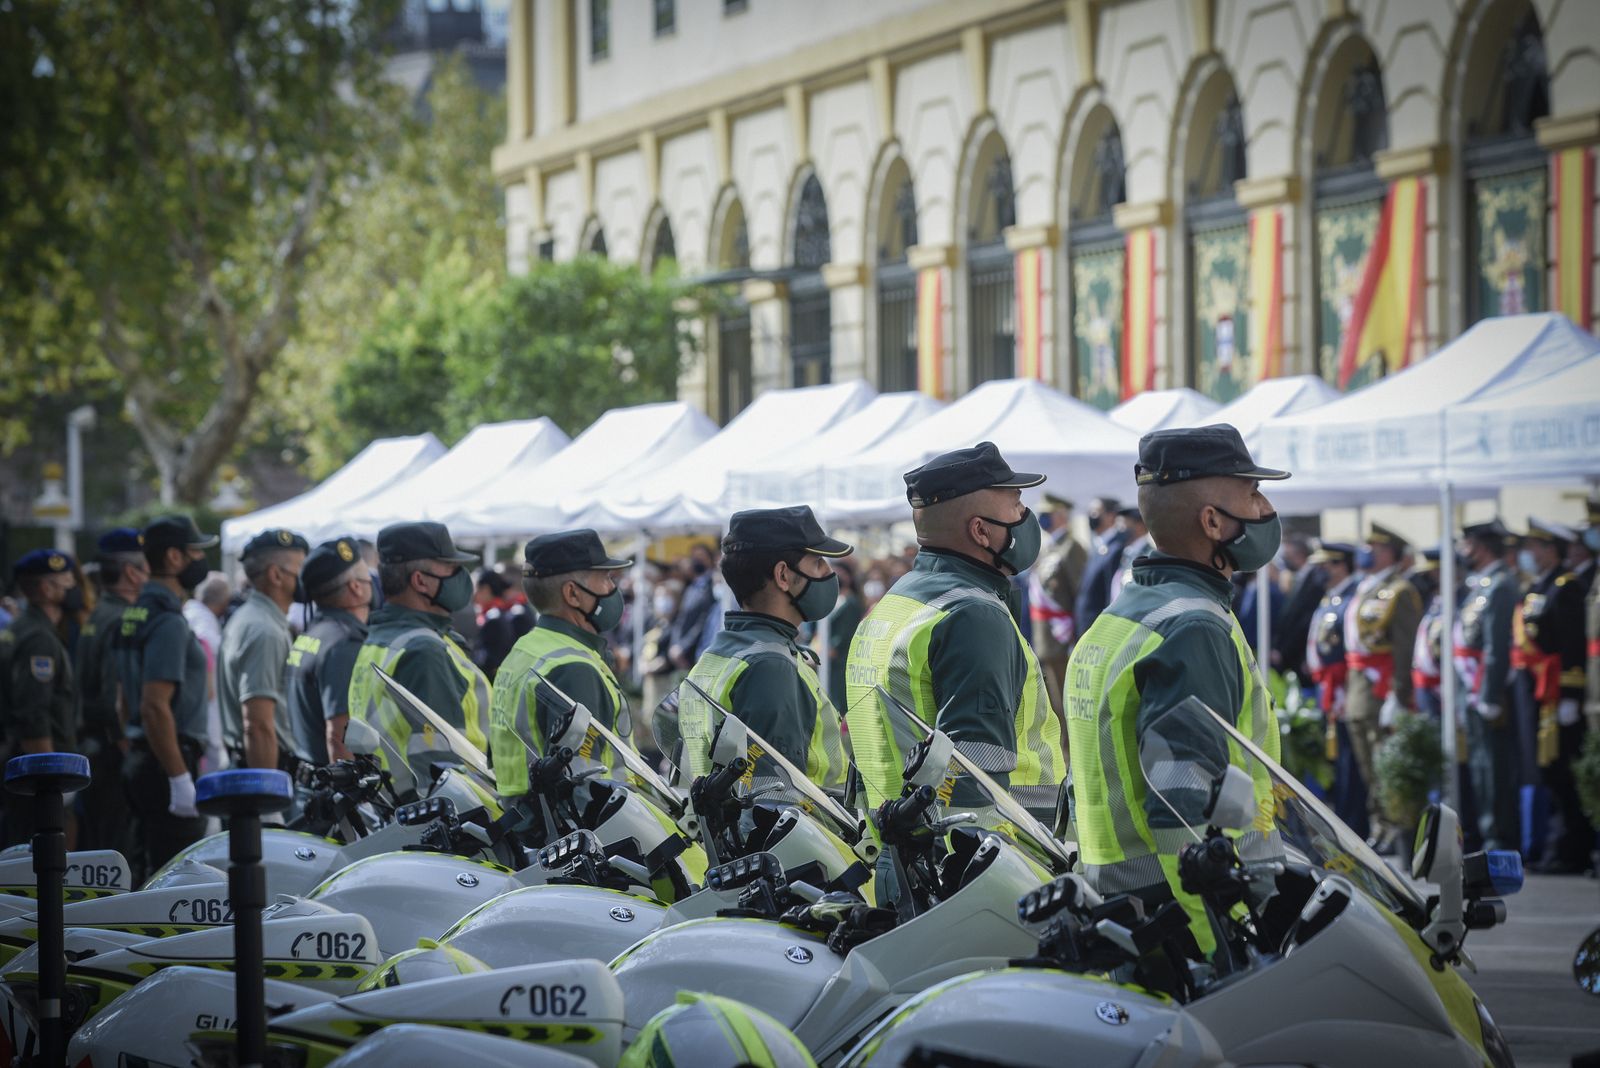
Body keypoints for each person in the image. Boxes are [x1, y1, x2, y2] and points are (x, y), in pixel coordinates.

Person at [1065, 425, 1287, 951]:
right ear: (1212, 522)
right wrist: (1220, 941)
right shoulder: (1193, 626)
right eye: (1252, 493)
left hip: (1122, 901)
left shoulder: (1124, 613)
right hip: (1184, 917)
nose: (1265, 507)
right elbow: (1182, 804)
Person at [846, 442, 1062, 818]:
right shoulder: (972, 615)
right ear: (980, 530)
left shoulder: (897, 602)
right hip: (993, 858)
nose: (1026, 515)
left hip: (900, 850)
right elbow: (973, 785)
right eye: (1016, 504)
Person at [680, 507, 851, 788]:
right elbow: (775, 800)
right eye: (819, 563)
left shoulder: (722, 650)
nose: (830, 573)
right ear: (783, 575)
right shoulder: (771, 666)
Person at [490, 529, 636, 794]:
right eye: (605, 579)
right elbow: (584, 789)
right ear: (573, 594)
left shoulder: (526, 649)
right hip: (593, 830)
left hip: (528, 822)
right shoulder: (573, 668)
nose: (613, 589)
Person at [348, 522, 492, 789]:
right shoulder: (423, 650)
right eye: (451, 569)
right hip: (458, 815)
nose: (462, 576)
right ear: (420, 581)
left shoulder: (382, 637)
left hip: (398, 810)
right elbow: (443, 769)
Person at [113, 515, 216, 877]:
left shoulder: (135, 612)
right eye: (194, 552)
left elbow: (123, 698)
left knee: (145, 868)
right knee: (173, 878)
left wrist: (137, 744)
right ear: (174, 558)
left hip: (145, 757)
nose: (200, 561)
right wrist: (178, 777)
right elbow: (154, 706)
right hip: (166, 762)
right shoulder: (167, 621)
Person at [1510, 519, 1591, 873]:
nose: (1529, 554)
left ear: (1550, 550)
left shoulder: (1566, 587)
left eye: (1535, 547)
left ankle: (1572, 849)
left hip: (1557, 693)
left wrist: (1571, 694)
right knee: (1546, 773)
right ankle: (1558, 848)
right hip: (1535, 693)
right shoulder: (1538, 588)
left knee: (1561, 774)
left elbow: (1573, 644)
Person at [1342, 523, 1423, 853]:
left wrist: (1399, 694)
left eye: (1377, 546)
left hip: (1381, 689)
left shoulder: (1400, 590)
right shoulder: (1366, 587)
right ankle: (1380, 824)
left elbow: (1405, 647)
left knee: (1383, 762)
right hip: (1358, 688)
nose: (1369, 551)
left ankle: (1394, 828)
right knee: (1368, 766)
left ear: (1391, 552)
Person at [1, 549, 83, 845]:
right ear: (46, 589)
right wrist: (49, 777)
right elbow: (33, 713)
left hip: (21, 765)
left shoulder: (23, 628)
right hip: (37, 772)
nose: (74, 588)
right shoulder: (38, 637)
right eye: (67, 582)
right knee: (44, 856)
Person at [76, 529, 147, 852]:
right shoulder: (121, 619)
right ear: (132, 573)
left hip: (94, 749)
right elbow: (113, 699)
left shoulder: (99, 614)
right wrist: (128, 753)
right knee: (117, 853)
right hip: (112, 755)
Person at [217, 529, 308, 773]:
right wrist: (268, 800)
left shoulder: (251, 618)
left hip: (254, 762)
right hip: (266, 767)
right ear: (276, 575)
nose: (305, 576)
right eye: (300, 568)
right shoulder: (264, 629)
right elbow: (257, 725)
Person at [1455, 518, 1521, 852]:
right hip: (1474, 686)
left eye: (1467, 545)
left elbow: (1496, 645)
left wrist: (1490, 693)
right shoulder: (1483, 584)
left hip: (1489, 689)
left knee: (1494, 767)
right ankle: (1488, 830)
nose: (1463, 551)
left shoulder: (1501, 585)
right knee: (1481, 765)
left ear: (1480, 547)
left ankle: (1499, 836)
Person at [285, 537, 372, 766]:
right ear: (356, 587)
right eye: (367, 575)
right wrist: (354, 798)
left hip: (310, 780)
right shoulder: (344, 643)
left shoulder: (311, 635)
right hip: (333, 788)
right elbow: (339, 737)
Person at [1301, 541, 1366, 831]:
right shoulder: (1334, 597)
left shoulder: (1353, 596)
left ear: (1341, 565)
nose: (1321, 571)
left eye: (1327, 565)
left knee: (1351, 758)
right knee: (1340, 756)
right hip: (1329, 686)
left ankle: (1355, 819)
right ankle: (1345, 814)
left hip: (1344, 687)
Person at [1028, 493, 1087, 719]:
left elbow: (1079, 595)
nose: (1042, 519)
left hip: (1062, 640)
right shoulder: (1049, 548)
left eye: (1047, 514)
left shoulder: (1072, 547)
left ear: (1062, 516)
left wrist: (1077, 637)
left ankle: (1070, 753)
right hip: (1046, 639)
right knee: (1054, 707)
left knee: (1066, 707)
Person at [1075, 498, 1131, 637]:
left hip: (1101, 631)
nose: (1091, 516)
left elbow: (1111, 595)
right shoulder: (1099, 546)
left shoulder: (1117, 547)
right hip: (1087, 629)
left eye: (1095, 512)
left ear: (1111, 516)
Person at [470, 568, 530, 678]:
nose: (473, 594)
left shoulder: (494, 619)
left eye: (474, 588)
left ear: (485, 589)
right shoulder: (498, 615)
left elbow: (490, 660)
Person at [668, 543, 718, 671]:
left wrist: (684, 647)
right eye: (695, 557)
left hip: (697, 650)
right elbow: (681, 618)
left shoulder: (712, 586)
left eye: (701, 556)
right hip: (682, 653)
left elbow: (703, 621)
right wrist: (676, 645)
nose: (697, 560)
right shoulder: (691, 587)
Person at [822, 559, 865, 712]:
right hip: (829, 661)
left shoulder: (851, 602)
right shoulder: (834, 601)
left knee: (837, 702)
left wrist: (830, 650)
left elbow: (844, 634)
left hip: (839, 661)